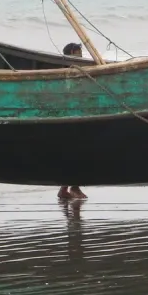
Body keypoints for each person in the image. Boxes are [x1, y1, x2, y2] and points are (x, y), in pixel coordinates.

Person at [58, 43, 88, 201]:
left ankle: (69, 188)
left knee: (76, 155)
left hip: (74, 118)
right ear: (72, 53)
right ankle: (68, 188)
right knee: (76, 154)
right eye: (79, 52)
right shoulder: (70, 71)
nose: (81, 55)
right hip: (71, 119)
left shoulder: (75, 70)